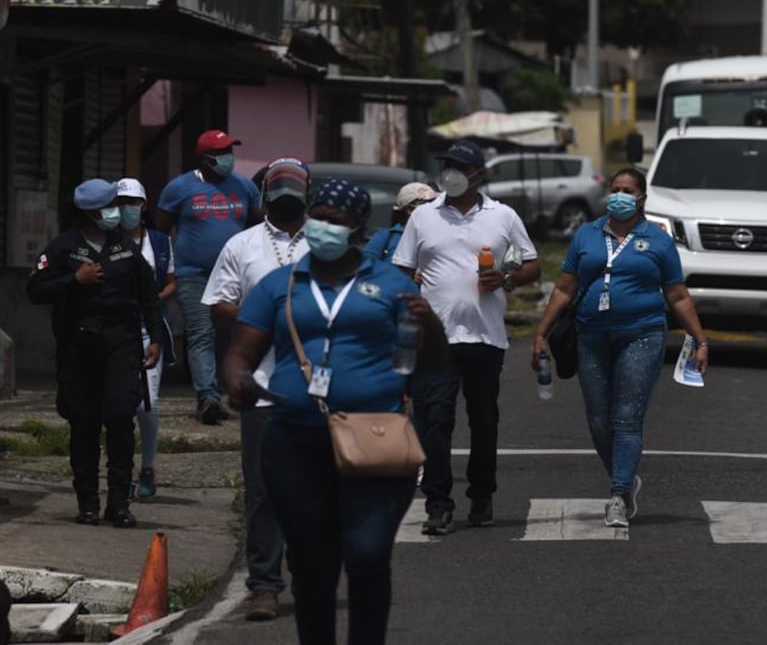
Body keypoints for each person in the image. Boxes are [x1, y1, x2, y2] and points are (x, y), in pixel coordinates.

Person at [223, 178, 447, 645]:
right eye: (317, 216)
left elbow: (423, 364)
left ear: (358, 228)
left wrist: (431, 329)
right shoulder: (280, 285)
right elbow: (241, 352)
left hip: (375, 437)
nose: (322, 227)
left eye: (335, 220)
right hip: (294, 441)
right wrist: (238, 380)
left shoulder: (390, 284)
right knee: (311, 563)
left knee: (366, 556)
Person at [531, 167, 709, 527]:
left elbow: (676, 295)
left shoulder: (657, 240)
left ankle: (618, 493)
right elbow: (565, 287)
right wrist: (541, 333)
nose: (620, 196)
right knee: (598, 419)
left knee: (626, 417)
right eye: (615, 189)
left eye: (628, 190)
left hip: (641, 334)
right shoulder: (587, 234)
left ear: (642, 197)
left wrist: (700, 340)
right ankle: (625, 479)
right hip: (591, 335)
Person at [392, 139, 541, 534]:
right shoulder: (423, 217)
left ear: (479, 174)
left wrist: (506, 278)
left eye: (459, 166)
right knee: (434, 420)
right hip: (433, 338)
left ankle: (482, 494)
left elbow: (532, 265)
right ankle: (438, 503)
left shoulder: (503, 216)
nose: (450, 173)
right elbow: (402, 268)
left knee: (484, 419)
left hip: (484, 337)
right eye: (445, 165)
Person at [202, 157, 311, 622]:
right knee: (264, 491)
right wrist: (255, 313)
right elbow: (218, 304)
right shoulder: (242, 244)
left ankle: (309, 576)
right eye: (279, 188)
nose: (287, 197)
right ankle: (264, 585)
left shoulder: (327, 244)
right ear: (265, 195)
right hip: (262, 387)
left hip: (317, 390)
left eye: (295, 189)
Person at [26, 179, 164, 528]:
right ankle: (87, 502)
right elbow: (35, 290)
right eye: (110, 206)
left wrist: (156, 339)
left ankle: (119, 504)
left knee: (120, 418)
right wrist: (76, 280)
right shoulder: (63, 249)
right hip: (79, 347)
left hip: (121, 344)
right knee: (83, 425)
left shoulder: (126, 248)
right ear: (90, 212)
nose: (117, 212)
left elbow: (149, 296)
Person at [156, 129, 263, 425]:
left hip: (233, 276)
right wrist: (166, 268)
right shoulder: (179, 188)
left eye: (230, 150)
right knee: (202, 332)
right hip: (194, 275)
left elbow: (259, 226)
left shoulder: (244, 187)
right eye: (221, 153)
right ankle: (207, 398)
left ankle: (231, 392)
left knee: (230, 336)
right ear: (204, 158)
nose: (228, 158)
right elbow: (162, 228)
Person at [115, 177, 177, 501]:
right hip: (116, 330)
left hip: (149, 330)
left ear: (143, 205)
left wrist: (153, 300)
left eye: (133, 202)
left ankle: (148, 467)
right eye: (121, 203)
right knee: (119, 404)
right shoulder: (108, 241)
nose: (127, 209)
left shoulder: (160, 242)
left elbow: (171, 282)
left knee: (146, 404)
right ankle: (120, 471)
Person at [363, 181, 438, 263]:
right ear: (410, 209)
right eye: (430, 203)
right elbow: (366, 268)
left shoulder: (442, 235)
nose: (437, 207)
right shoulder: (385, 238)